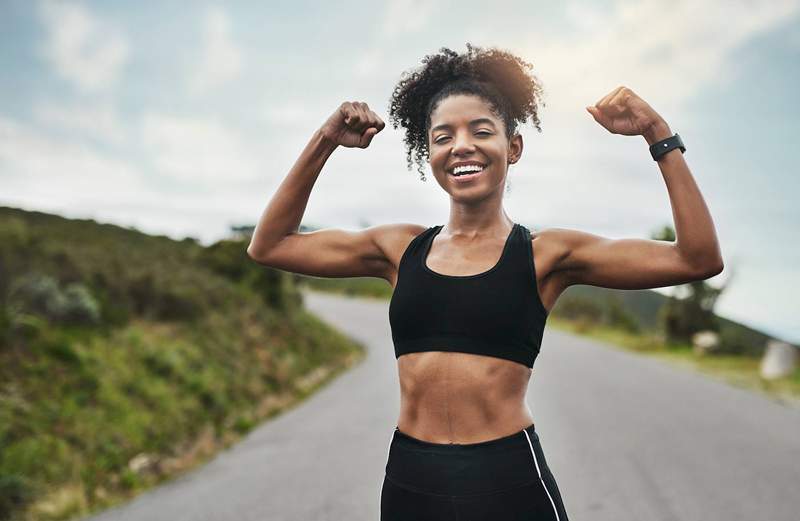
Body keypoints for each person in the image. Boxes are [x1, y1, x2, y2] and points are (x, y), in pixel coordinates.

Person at [246, 43, 724, 521]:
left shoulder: (546, 256)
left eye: (481, 130)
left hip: (507, 481)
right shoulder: (398, 250)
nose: (462, 146)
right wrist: (324, 140)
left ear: (512, 147)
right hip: (413, 481)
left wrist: (658, 136)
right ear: (428, 153)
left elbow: (697, 259)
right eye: (442, 136)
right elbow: (270, 245)